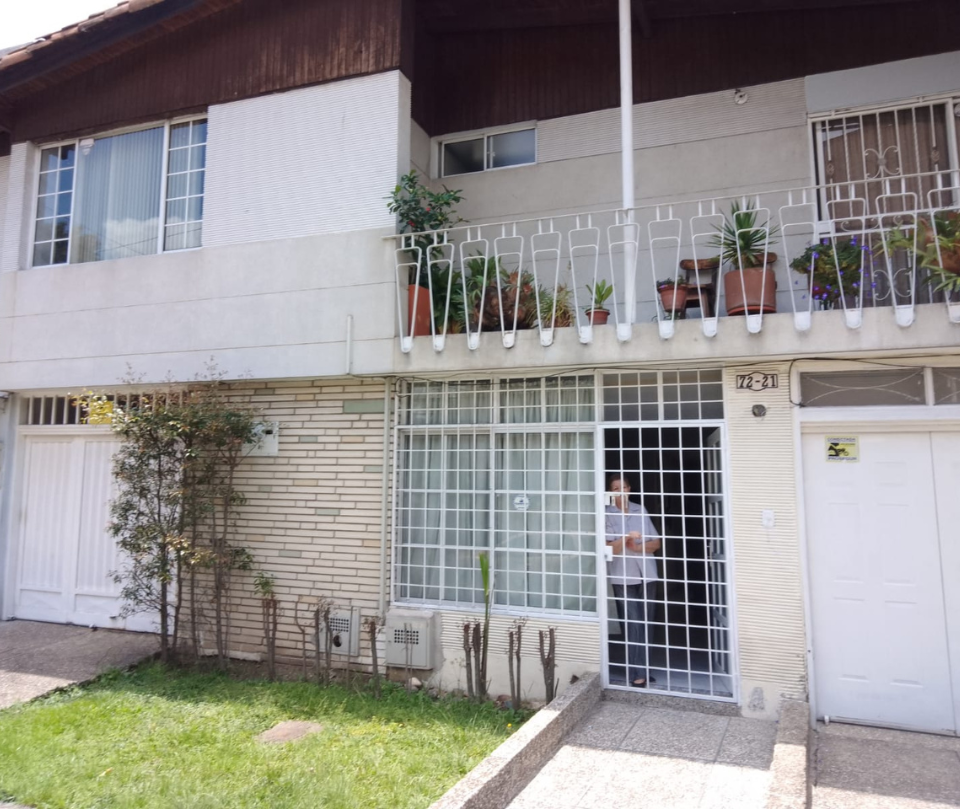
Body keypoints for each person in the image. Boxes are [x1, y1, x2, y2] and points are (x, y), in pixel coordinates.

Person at [605, 473, 661, 688]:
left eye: (624, 487)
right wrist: (627, 537)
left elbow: (656, 543)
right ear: (611, 492)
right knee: (633, 623)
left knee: (646, 622)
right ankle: (638, 673)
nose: (620, 491)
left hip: (647, 573)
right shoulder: (607, 514)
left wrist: (637, 548)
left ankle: (642, 669)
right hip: (622, 575)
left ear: (629, 489)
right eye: (615, 488)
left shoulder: (640, 510)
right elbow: (610, 547)